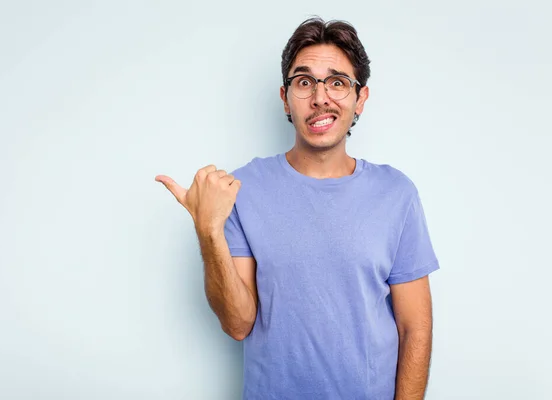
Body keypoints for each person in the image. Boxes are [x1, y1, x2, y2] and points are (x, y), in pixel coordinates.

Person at [156, 17, 440, 400]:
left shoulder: (396, 193)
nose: (320, 97)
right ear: (285, 97)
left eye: (337, 82)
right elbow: (238, 323)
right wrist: (209, 231)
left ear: (361, 98)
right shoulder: (242, 188)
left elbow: (415, 327)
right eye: (304, 82)